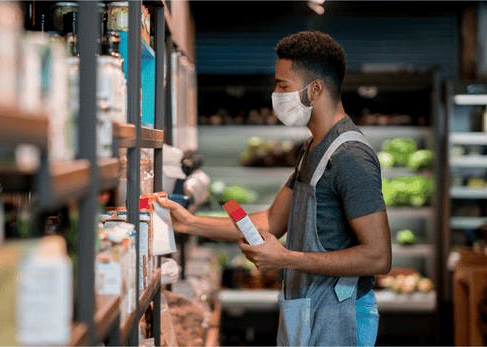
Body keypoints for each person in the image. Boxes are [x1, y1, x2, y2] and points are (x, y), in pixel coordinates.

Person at [158, 31, 391, 346]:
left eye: (283, 86)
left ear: (316, 89)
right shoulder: (312, 148)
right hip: (307, 309)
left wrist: (285, 259)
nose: (275, 94)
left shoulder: (350, 156)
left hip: (341, 315)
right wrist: (190, 222)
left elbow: (378, 257)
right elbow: (271, 221)